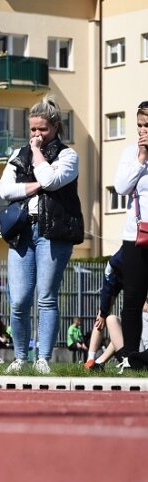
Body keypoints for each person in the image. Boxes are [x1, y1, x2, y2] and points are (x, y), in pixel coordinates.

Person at [0, 95, 83, 375]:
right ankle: (20, 356)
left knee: (46, 297)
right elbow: (5, 190)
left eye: (42, 129)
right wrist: (34, 186)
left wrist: (36, 157)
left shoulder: (68, 156)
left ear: (55, 127)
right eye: (33, 129)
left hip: (53, 233)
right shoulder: (15, 155)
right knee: (19, 299)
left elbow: (51, 179)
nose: (36, 135)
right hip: (23, 233)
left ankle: (42, 358)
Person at [112, 100, 148, 358]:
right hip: (135, 235)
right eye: (139, 125)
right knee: (133, 299)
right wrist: (142, 157)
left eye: (147, 125)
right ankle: (131, 357)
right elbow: (122, 187)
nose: (142, 130)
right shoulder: (130, 153)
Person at [86, 249, 125, 370]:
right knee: (104, 317)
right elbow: (107, 294)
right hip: (119, 270)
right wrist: (103, 312)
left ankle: (99, 361)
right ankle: (92, 360)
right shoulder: (112, 269)